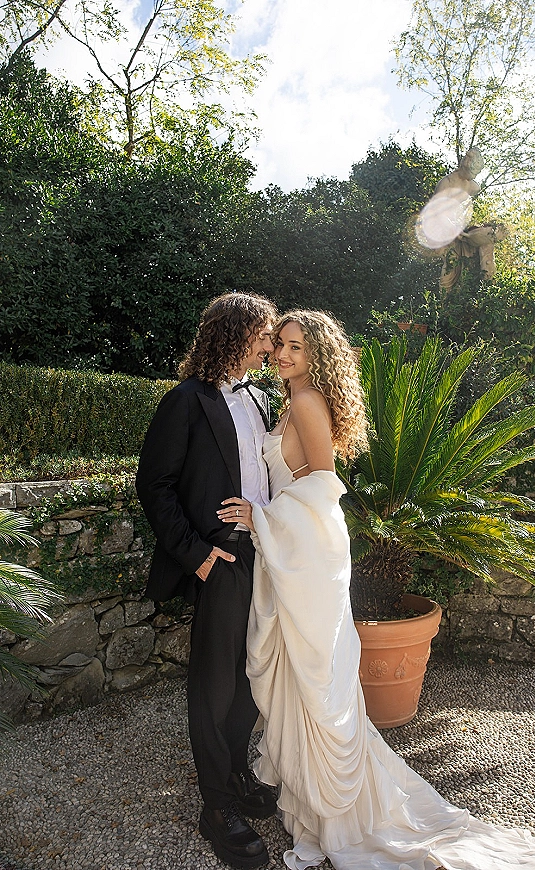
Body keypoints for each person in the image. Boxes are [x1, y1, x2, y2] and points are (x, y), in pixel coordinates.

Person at [218, 309, 535, 870]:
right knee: (301, 675)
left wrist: (259, 517)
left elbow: (320, 488)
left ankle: (340, 810)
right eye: (280, 345)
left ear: (317, 355)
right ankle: (312, 793)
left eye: (295, 347)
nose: (283, 355)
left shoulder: (308, 404)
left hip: (307, 555)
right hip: (295, 556)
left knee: (315, 680)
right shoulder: (291, 401)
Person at [136, 291, 279, 870]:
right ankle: (216, 807)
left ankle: (237, 774)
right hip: (218, 561)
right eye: (265, 334)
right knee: (214, 684)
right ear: (237, 334)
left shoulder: (263, 400)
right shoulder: (185, 402)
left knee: (253, 675)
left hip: (266, 557)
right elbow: (155, 485)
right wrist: (196, 554)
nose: (270, 344)